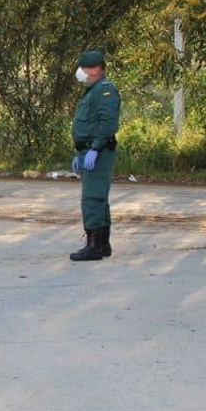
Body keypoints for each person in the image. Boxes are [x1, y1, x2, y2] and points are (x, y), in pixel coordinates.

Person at [69, 49, 121, 262]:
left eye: (83, 68)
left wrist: (94, 149)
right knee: (98, 198)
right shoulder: (94, 90)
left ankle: (93, 246)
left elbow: (108, 124)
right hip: (90, 151)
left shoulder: (104, 91)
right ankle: (103, 244)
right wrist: (81, 152)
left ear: (95, 70)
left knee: (92, 198)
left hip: (98, 152)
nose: (79, 72)